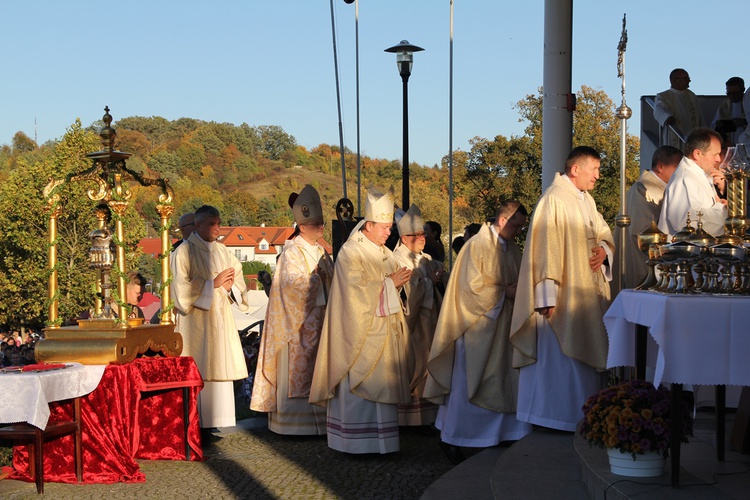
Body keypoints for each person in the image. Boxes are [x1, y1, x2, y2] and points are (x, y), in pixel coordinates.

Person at [510, 146, 614, 432]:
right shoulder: (554, 199)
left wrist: (605, 250)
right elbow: (544, 250)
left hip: (584, 295)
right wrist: (546, 297)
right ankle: (553, 417)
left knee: (579, 362)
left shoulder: (586, 200)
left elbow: (604, 233)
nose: (597, 175)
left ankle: (579, 415)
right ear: (575, 169)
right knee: (558, 358)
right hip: (560, 298)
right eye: (593, 169)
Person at [425, 201, 532, 461]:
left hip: (503, 327)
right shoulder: (477, 246)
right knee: (469, 383)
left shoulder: (511, 249)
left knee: (504, 381)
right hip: (477, 329)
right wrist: (504, 292)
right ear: (503, 221)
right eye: (516, 226)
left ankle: (503, 433)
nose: (519, 232)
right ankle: (456, 438)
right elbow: (469, 289)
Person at [310, 186, 412, 454]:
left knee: (383, 386)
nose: (389, 233)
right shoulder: (351, 252)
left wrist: (399, 286)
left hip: (385, 332)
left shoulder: (386, 254)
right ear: (368, 225)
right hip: (360, 335)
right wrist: (390, 283)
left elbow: (393, 289)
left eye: (390, 228)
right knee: (362, 384)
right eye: (384, 227)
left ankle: (385, 444)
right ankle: (355, 444)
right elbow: (354, 293)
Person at [251, 185, 333, 435]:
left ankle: (321, 422)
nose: (321, 227)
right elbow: (291, 286)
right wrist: (317, 279)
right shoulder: (291, 252)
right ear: (303, 225)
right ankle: (295, 426)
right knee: (300, 367)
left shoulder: (320, 250)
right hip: (297, 326)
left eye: (322, 223)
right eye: (317, 223)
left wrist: (326, 277)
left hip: (320, 322)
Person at [172, 205, 249, 433]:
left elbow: (238, 281)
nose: (217, 228)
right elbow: (180, 290)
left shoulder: (224, 251)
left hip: (220, 319)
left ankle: (216, 422)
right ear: (198, 225)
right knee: (200, 367)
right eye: (212, 224)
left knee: (219, 367)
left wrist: (228, 288)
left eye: (219, 223)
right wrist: (211, 285)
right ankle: (196, 425)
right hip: (196, 323)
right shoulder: (184, 252)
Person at [393, 204, 446, 427]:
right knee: (414, 365)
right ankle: (409, 418)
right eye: (416, 235)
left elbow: (440, 275)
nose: (422, 238)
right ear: (404, 239)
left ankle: (429, 417)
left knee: (429, 364)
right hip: (410, 324)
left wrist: (441, 276)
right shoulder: (397, 259)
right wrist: (428, 282)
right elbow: (407, 291)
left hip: (430, 321)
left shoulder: (424, 258)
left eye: (423, 234)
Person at [617, 146, 683, 289]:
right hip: (643, 263)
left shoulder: (661, 188)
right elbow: (643, 232)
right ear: (660, 166)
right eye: (677, 167)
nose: (680, 172)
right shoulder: (643, 190)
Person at [658, 128, 727, 239]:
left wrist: (722, 190)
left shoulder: (699, 174)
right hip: (684, 253)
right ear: (697, 153)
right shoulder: (685, 178)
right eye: (715, 154)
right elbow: (688, 223)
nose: (718, 159)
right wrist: (720, 208)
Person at [653, 68, 703, 149]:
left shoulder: (691, 96)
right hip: (674, 141)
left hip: (692, 139)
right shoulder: (663, 96)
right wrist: (667, 116)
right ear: (674, 80)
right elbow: (659, 108)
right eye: (686, 78)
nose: (689, 81)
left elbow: (700, 116)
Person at [712, 77, 747, 146]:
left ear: (743, 90)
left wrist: (744, 122)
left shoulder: (747, 105)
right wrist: (720, 125)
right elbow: (713, 127)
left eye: (735, 93)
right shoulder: (723, 108)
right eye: (729, 93)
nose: (732, 96)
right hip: (729, 146)